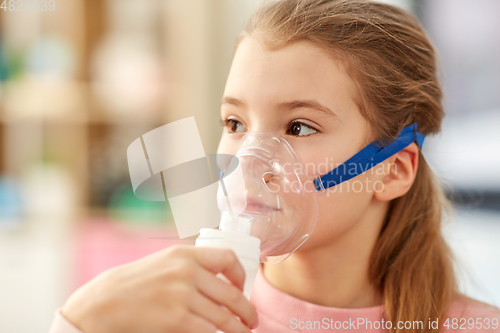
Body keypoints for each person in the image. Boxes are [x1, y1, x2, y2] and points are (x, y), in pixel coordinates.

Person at [49, 0, 500, 332]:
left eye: (299, 127)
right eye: (235, 122)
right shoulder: (169, 314)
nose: (248, 160)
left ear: (394, 169)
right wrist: (79, 322)